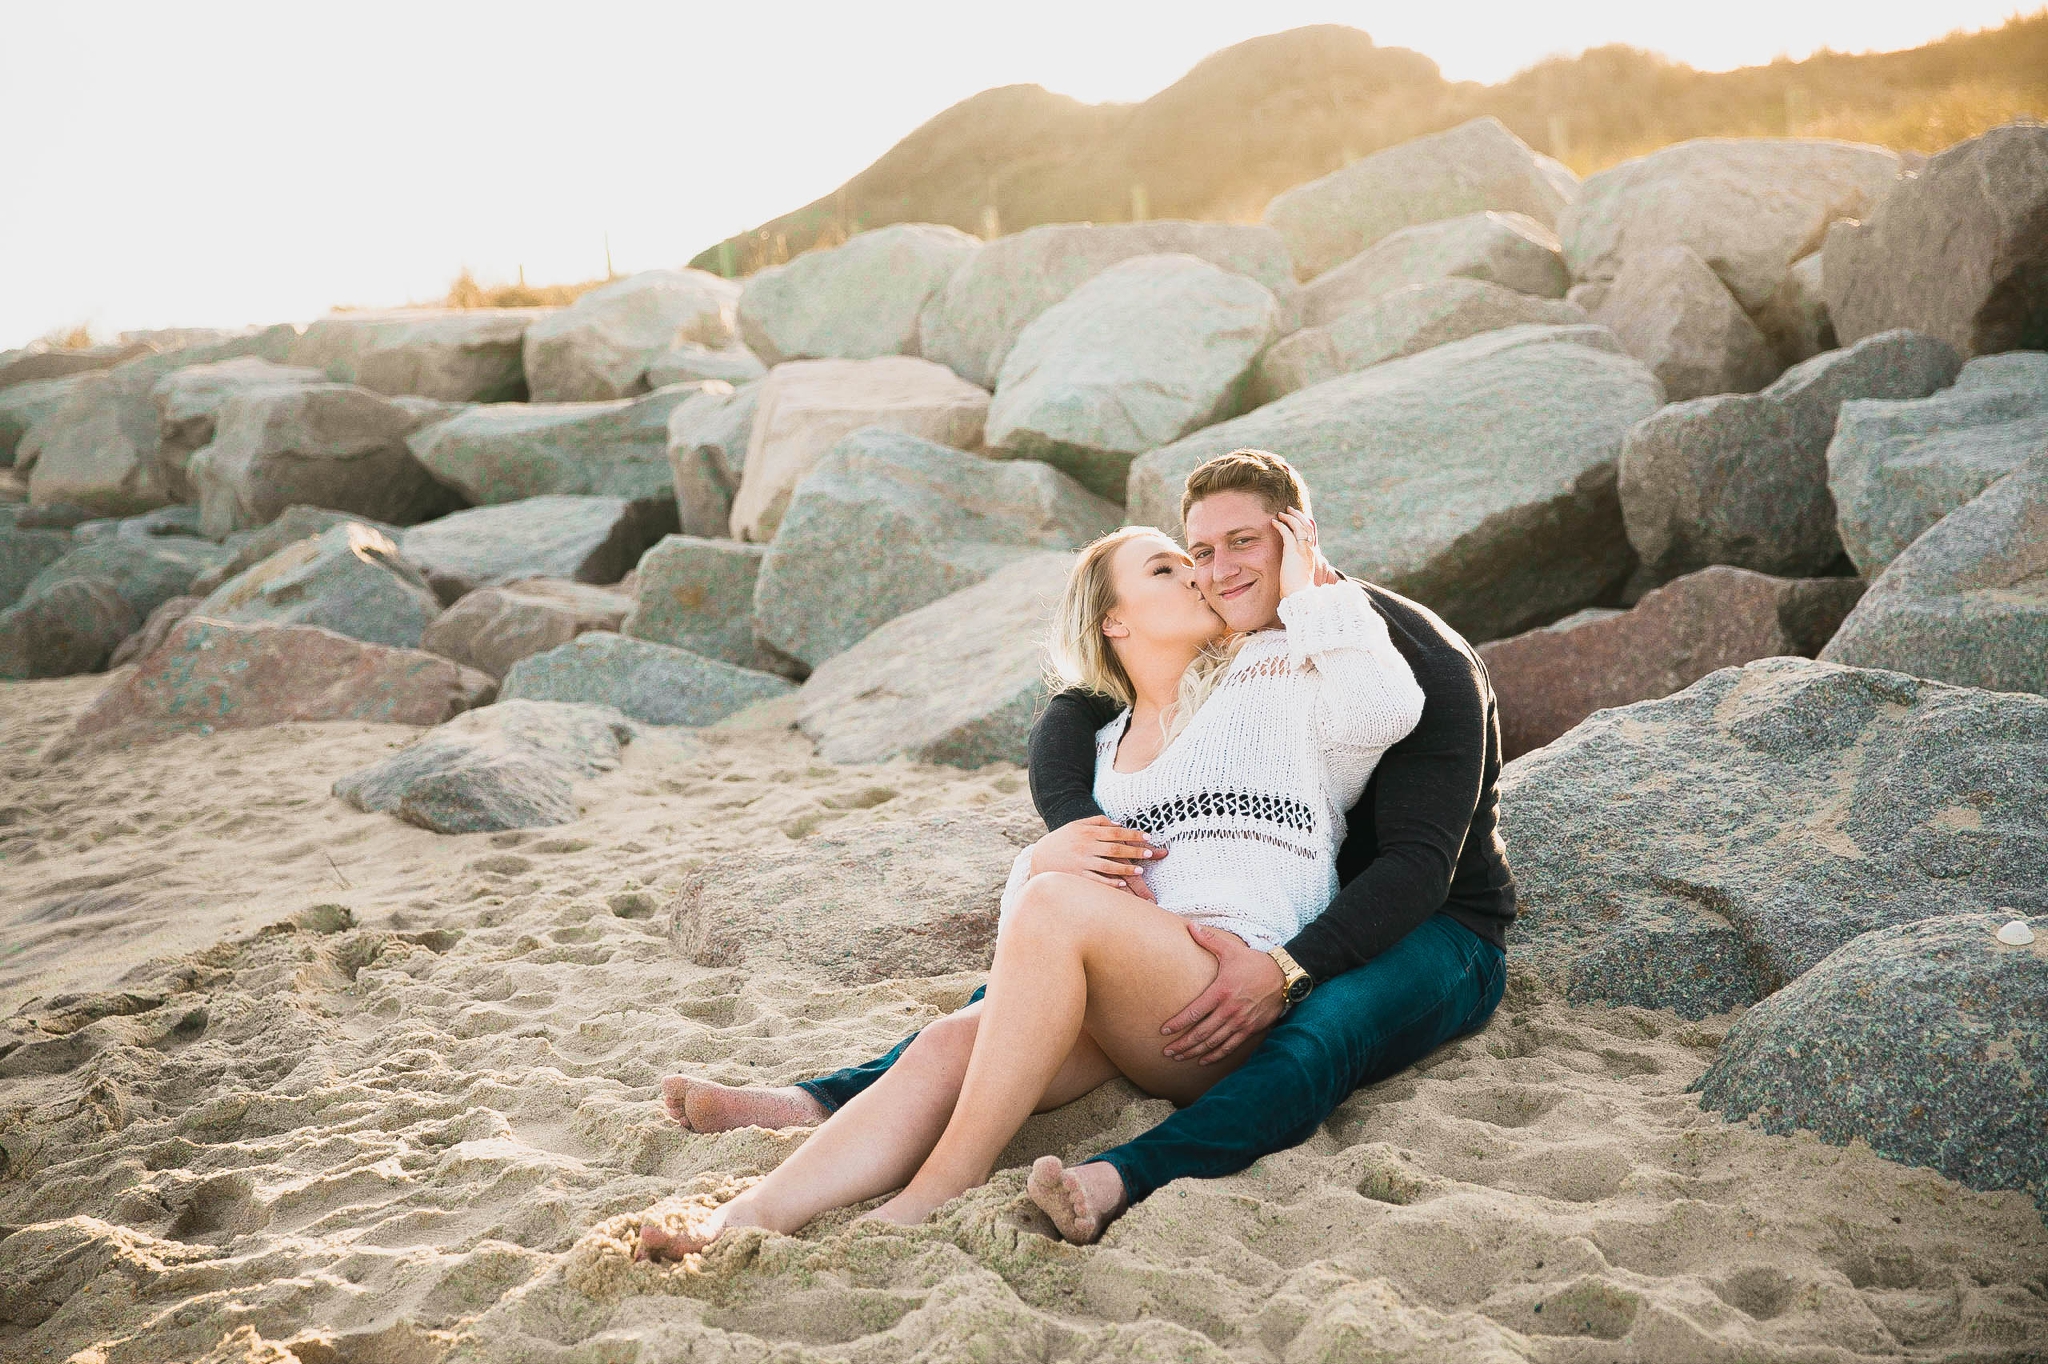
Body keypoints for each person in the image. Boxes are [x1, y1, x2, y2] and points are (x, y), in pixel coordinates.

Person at [660, 449, 1516, 1245]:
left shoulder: (1311, 665)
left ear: (1298, 536)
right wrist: (1049, 848)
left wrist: (1312, 589)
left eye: (1237, 547)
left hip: (1262, 968)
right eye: (1187, 558)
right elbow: (1071, 731)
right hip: (1146, 983)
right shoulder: (1133, 725)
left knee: (1063, 910)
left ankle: (942, 1185)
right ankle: (742, 1217)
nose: (1209, 574)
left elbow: (1386, 744)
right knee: (949, 1042)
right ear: (1115, 622)